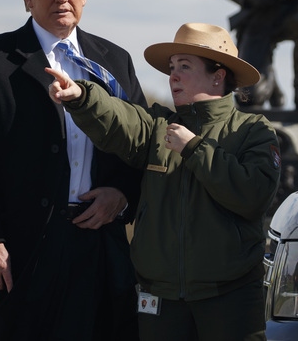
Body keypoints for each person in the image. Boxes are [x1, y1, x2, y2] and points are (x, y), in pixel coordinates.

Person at [0, 0, 146, 340]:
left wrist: (121, 195)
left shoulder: (114, 61)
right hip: (13, 251)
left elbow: (140, 144)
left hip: (96, 246)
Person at [47, 22, 281, 341]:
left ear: (218, 75)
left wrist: (194, 148)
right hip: (160, 301)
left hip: (231, 298)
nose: (172, 76)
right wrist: (82, 97)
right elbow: (121, 119)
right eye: (171, 67)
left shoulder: (253, 131)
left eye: (184, 66)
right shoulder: (159, 125)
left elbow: (252, 195)